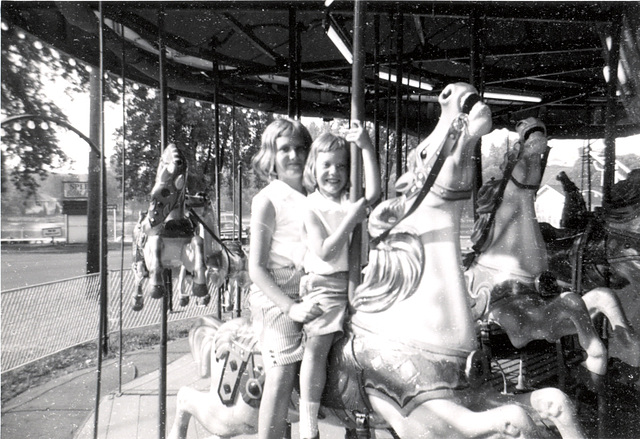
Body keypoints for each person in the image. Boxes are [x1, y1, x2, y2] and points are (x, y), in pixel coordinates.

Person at [298, 121, 380, 439]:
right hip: (324, 285)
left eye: (342, 166)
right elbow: (326, 251)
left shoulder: (348, 200)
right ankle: (308, 420)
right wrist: (351, 219)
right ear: (313, 168)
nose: (334, 172)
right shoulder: (312, 206)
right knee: (318, 345)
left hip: (357, 282)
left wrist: (366, 145)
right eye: (327, 165)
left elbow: (372, 192)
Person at [248, 118, 323, 439]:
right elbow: (257, 268)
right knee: (281, 374)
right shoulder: (268, 199)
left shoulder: (317, 195)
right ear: (272, 157)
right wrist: (290, 308)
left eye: (300, 148)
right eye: (284, 149)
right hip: (276, 298)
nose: (294, 155)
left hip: (315, 291)